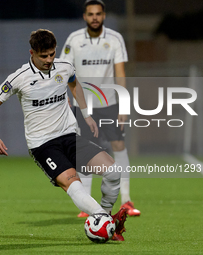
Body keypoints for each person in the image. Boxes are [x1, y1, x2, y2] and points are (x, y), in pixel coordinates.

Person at [0, 29, 128, 241]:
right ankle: (105, 223)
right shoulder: (19, 77)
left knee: (113, 172)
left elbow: (74, 83)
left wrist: (86, 114)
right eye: (44, 56)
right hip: (43, 145)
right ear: (32, 53)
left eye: (52, 54)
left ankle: (105, 217)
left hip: (69, 136)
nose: (49, 60)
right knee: (75, 185)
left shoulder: (64, 67)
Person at [60, 0, 140, 217]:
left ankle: (126, 200)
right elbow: (65, 71)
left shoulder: (115, 39)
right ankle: (87, 205)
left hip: (109, 104)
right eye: (90, 14)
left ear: (103, 15)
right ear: (85, 17)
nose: (94, 17)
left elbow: (120, 72)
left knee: (118, 145)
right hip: (83, 105)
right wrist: (64, 97)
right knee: (84, 152)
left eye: (98, 14)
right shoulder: (74, 40)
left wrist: (124, 104)